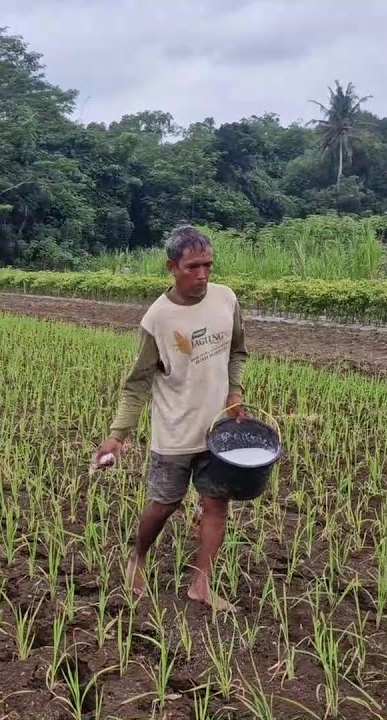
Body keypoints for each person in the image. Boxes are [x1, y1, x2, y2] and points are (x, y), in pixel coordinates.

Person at [92, 225, 249, 612]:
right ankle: (138, 557)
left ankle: (201, 584)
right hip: (176, 432)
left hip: (218, 432)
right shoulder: (157, 319)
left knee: (215, 505)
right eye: (193, 266)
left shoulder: (226, 300)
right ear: (172, 266)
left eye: (208, 265)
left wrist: (235, 392)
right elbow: (137, 383)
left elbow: (237, 353)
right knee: (164, 504)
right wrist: (118, 435)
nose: (203, 275)